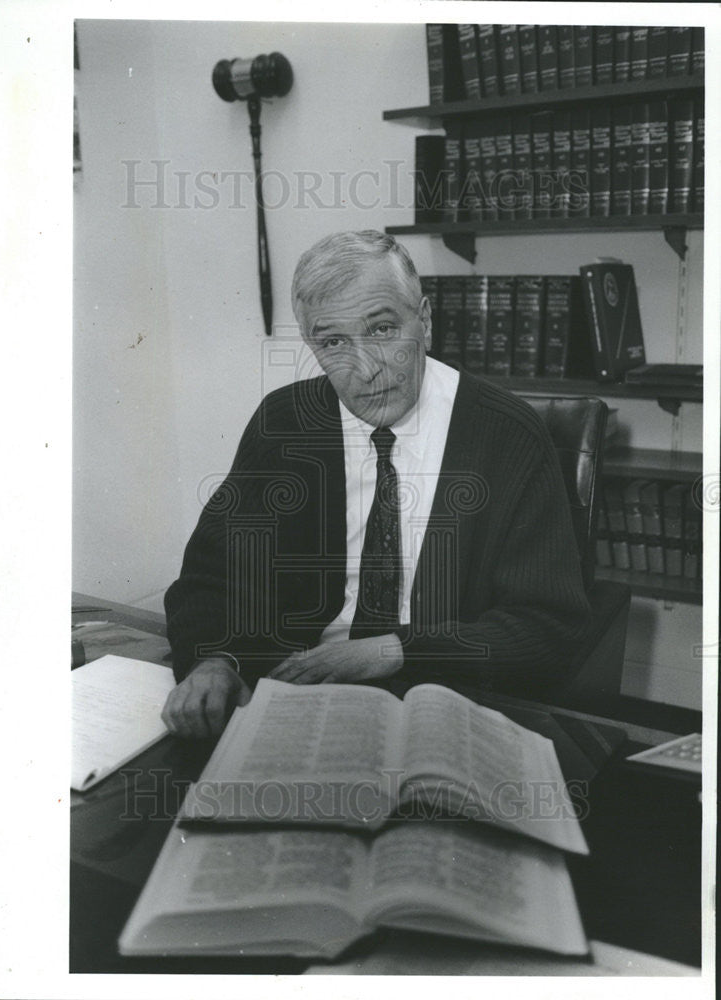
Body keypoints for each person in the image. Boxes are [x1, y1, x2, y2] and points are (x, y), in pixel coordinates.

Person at [162, 230, 591, 738]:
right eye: (334, 342)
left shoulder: (507, 435)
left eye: (383, 329)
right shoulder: (286, 423)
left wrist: (392, 650)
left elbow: (547, 628)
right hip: (293, 698)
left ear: (425, 320)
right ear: (311, 346)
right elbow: (212, 578)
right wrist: (216, 659)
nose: (365, 370)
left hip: (445, 702)